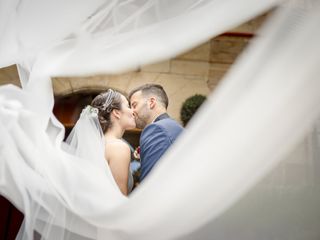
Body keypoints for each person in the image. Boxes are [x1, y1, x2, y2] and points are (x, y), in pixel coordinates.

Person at [76, 89, 136, 195]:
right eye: (128, 106)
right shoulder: (118, 147)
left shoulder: (97, 145)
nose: (133, 111)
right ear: (117, 113)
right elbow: (119, 198)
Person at [129, 84, 183, 182]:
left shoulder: (157, 129)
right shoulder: (173, 126)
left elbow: (149, 183)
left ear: (151, 102)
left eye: (134, 105)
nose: (131, 111)